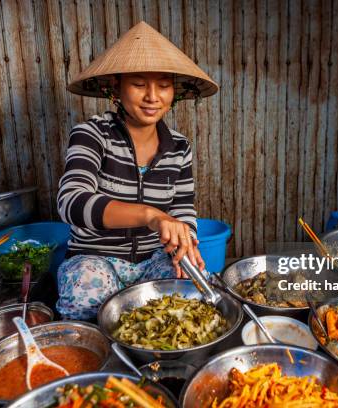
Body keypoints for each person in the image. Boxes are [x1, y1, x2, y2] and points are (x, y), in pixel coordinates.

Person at [56, 22, 219, 320]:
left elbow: (182, 210)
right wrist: (151, 215)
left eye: (164, 85)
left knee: (194, 295)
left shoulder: (179, 147)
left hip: (153, 260)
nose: (152, 97)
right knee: (88, 296)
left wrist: (186, 245)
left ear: (175, 92)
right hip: (94, 259)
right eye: (139, 84)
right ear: (115, 87)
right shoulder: (91, 134)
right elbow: (71, 201)